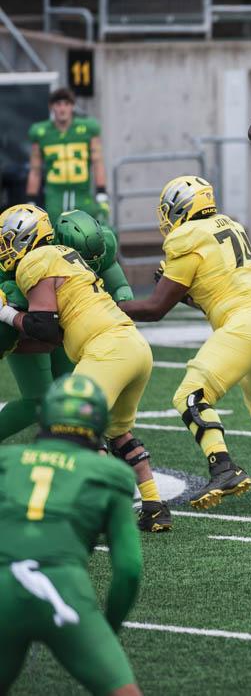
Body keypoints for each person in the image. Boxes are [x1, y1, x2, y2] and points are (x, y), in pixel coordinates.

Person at [118, 176, 251, 509]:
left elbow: (154, 308)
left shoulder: (186, 237)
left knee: (189, 395)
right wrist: (183, 294)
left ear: (181, 208)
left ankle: (223, 468)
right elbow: (213, 296)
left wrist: (104, 306)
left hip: (246, 325)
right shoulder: (228, 225)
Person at [0, 204, 167, 533]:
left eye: (8, 239)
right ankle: (154, 506)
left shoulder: (35, 260)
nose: (5, 246)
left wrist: (5, 313)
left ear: (26, 237)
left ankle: (104, 508)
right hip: (133, 344)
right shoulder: (68, 254)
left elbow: (43, 325)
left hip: (106, 350)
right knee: (117, 431)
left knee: (70, 426)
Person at [0, 374, 143, 695]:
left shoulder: (6, 461)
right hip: (63, 590)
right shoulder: (111, 473)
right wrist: (107, 630)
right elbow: (129, 569)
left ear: (45, 415)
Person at [0, 210, 134, 443]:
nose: (86, 265)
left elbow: (121, 288)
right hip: (27, 323)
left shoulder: (98, 244)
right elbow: (42, 329)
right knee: (38, 399)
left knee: (73, 390)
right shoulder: (28, 265)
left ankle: (89, 442)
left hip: (66, 322)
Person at [26, 88, 110, 224]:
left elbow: (98, 162)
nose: (62, 108)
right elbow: (35, 170)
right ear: (51, 107)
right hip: (54, 196)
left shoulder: (87, 129)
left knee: (87, 237)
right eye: (58, 104)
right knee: (54, 237)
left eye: (66, 104)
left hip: (82, 194)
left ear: (72, 106)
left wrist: (101, 193)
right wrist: (31, 199)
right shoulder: (41, 132)